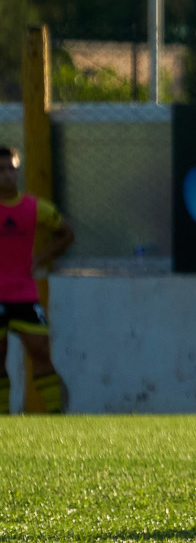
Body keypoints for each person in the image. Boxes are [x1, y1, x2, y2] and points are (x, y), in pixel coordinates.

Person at [0, 146, 73, 414]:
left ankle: (55, 417)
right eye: (1, 170)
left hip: (24, 293)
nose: (6, 175)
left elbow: (66, 232)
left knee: (40, 350)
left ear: (17, 172)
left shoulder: (33, 207)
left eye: (11, 169)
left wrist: (42, 257)